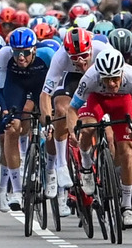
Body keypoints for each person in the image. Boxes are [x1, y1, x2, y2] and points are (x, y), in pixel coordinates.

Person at [67, 48, 132, 228]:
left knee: (127, 149)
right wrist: (73, 131)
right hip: (96, 99)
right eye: (106, 79)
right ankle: (86, 167)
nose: (111, 84)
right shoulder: (90, 78)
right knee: (87, 129)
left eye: (115, 79)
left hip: (122, 102)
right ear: (99, 75)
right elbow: (72, 109)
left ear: (122, 72)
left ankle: (127, 206)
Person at [39, 27, 112, 196]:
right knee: (61, 109)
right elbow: (45, 94)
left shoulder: (103, 50)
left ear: (91, 50)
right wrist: (48, 121)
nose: (79, 61)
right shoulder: (60, 58)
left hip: (99, 77)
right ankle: (61, 165)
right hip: (71, 79)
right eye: (74, 58)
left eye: (84, 56)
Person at [0, 27, 55, 212]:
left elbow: (56, 87)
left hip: (41, 88)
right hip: (16, 87)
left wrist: (48, 114)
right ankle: (17, 190)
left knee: (51, 124)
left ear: (34, 49)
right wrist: (5, 112)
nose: (21, 58)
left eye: (26, 53)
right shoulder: (4, 54)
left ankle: (53, 175)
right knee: (12, 128)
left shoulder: (48, 55)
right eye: (17, 53)